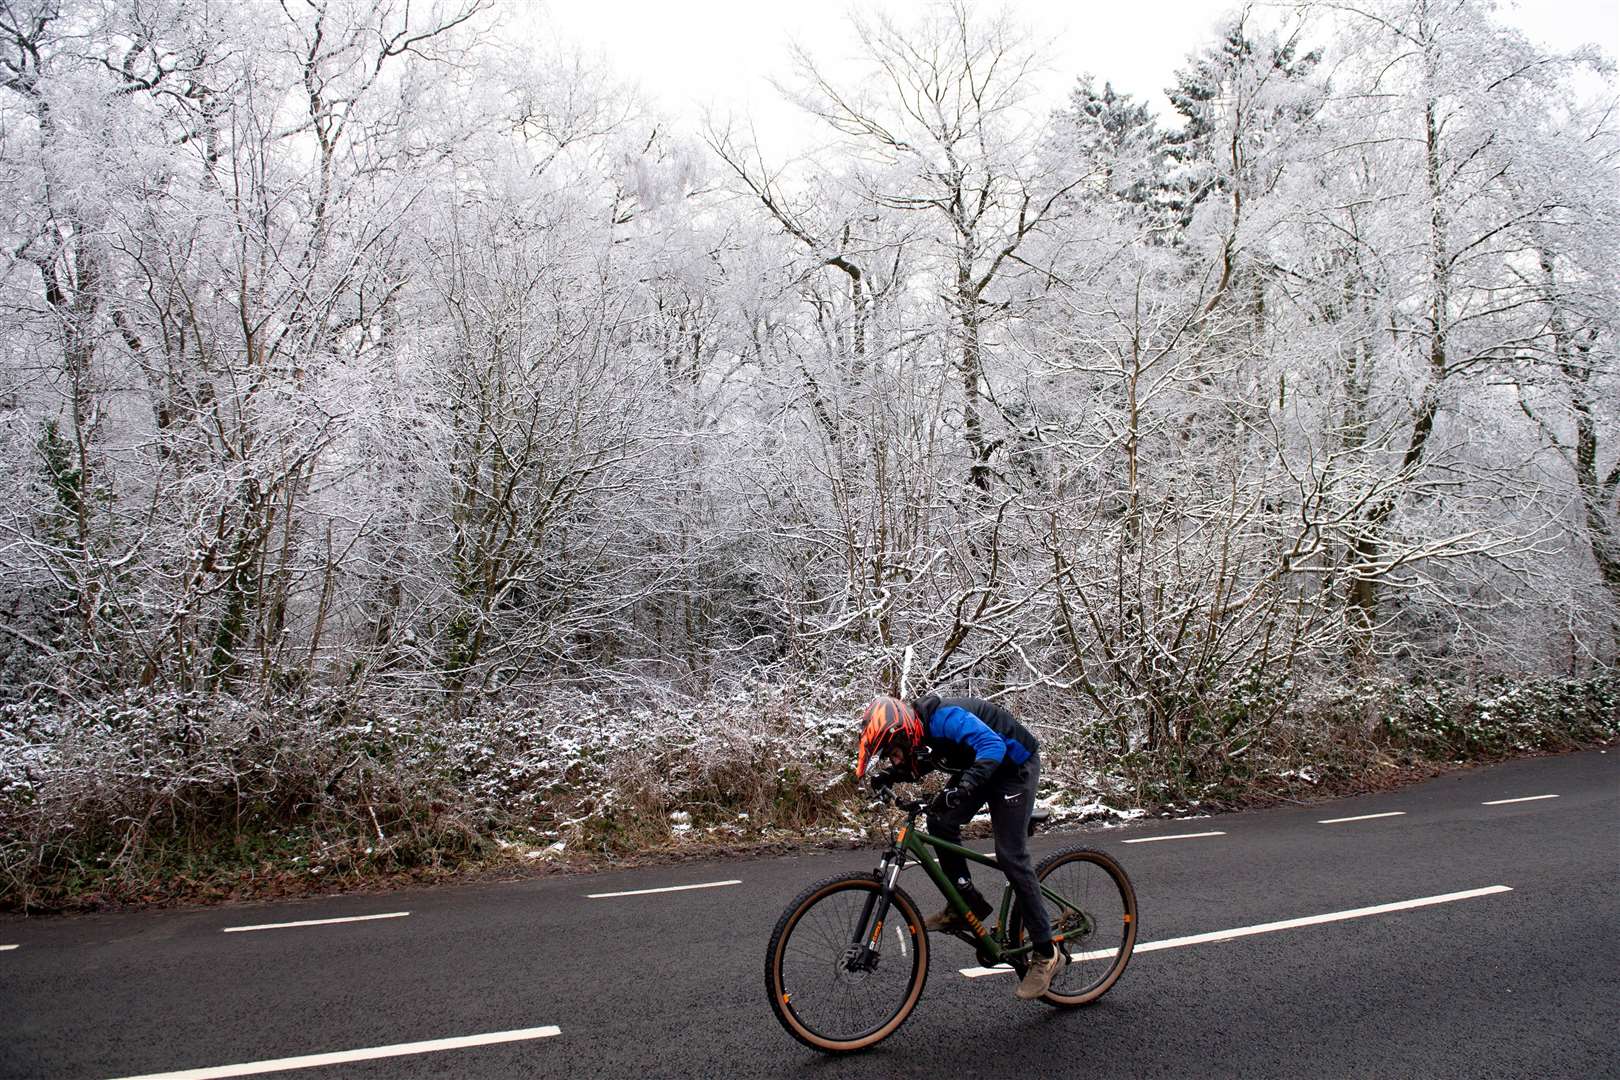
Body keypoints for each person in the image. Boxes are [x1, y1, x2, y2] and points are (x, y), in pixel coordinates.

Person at [854, 694, 1063, 1001]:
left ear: (904, 733)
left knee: (1011, 856)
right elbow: (922, 763)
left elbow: (994, 747)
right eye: (890, 756)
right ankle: (966, 904)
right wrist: (889, 776)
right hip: (983, 766)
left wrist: (962, 789)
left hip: (1014, 768)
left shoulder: (946, 718)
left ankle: (1046, 952)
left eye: (894, 753)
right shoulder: (919, 734)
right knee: (940, 823)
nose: (895, 758)